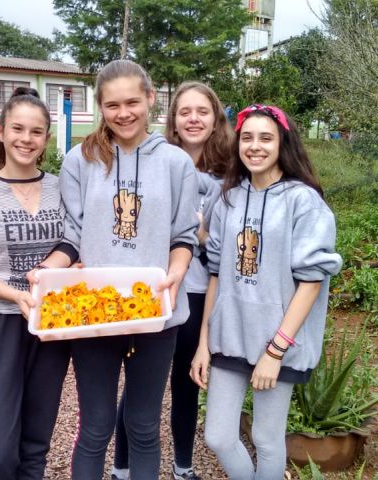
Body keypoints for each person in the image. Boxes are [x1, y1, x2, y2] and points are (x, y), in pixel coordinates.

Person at [30, 59, 199, 480]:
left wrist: (176, 272)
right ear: (100, 107)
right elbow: (71, 236)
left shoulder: (177, 163)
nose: (123, 113)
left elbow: (184, 236)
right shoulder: (80, 160)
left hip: (156, 314)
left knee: (143, 427)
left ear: (150, 99)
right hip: (94, 316)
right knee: (96, 426)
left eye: (131, 102)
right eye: (112, 105)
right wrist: (46, 271)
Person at [190, 104, 342, 479]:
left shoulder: (302, 202)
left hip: (278, 343)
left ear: (282, 144)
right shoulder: (227, 199)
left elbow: (312, 281)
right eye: (247, 138)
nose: (254, 146)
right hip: (231, 336)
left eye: (265, 138)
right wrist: (203, 343)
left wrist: (276, 350)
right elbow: (216, 275)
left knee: (267, 438)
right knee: (219, 436)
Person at [112, 81, 233, 480]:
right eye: (185, 112)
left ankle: (183, 466)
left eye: (202, 111)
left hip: (198, 292)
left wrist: (199, 236)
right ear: (173, 121)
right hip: (154, 289)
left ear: (216, 119)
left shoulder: (230, 176)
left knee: (187, 382)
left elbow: (232, 241)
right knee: (139, 385)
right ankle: (122, 466)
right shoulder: (155, 163)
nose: (194, 119)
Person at [0, 87, 71, 480]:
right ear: (1, 131)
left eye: (36, 131)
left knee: (37, 440)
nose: (27, 139)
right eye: (18, 129)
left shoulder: (63, 187)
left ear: (46, 138)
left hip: (53, 323)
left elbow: (76, 244)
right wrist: (19, 296)